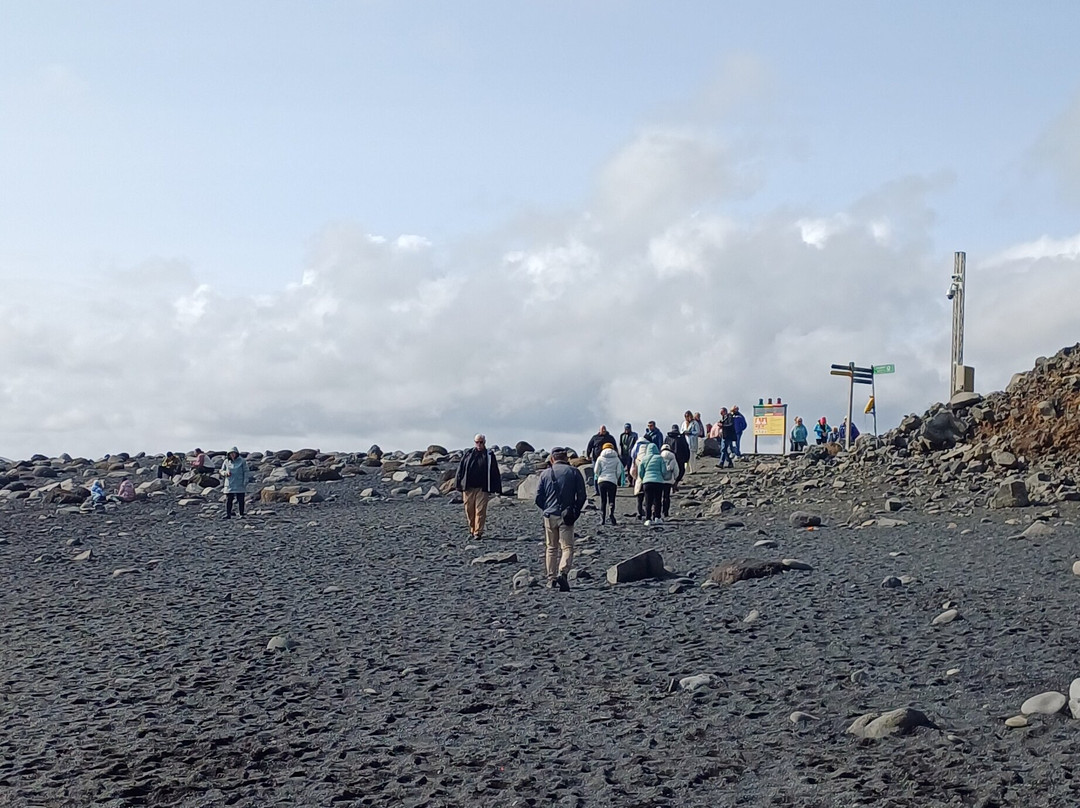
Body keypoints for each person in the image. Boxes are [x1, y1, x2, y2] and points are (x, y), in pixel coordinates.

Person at [534, 448, 587, 591]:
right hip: (566, 515)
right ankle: (563, 572)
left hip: (549, 515)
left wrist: (546, 508)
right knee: (567, 547)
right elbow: (582, 496)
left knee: (551, 548)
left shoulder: (545, 474)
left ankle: (551, 579)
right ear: (566, 458)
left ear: (552, 459)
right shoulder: (574, 472)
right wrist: (575, 511)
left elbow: (538, 497)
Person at [454, 434, 503, 539]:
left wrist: (497, 488)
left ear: (485, 442)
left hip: (483, 487)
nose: (479, 444)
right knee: (469, 510)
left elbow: (495, 471)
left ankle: (478, 532)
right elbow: (461, 468)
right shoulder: (468, 454)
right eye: (477, 442)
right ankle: (472, 528)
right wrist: (458, 484)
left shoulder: (489, 455)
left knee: (480, 510)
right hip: (468, 487)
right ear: (474, 442)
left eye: (481, 442)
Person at [593, 442, 625, 525]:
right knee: (612, 499)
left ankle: (602, 519)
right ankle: (611, 513)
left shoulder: (600, 458)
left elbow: (596, 470)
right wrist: (616, 478)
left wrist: (599, 475)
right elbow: (619, 471)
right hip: (612, 481)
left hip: (602, 481)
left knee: (603, 501)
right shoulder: (616, 458)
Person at [637, 442, 668, 525]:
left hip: (647, 482)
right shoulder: (660, 458)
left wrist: (644, 478)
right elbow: (664, 471)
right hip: (658, 482)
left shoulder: (644, 458)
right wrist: (662, 477)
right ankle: (657, 517)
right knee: (658, 500)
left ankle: (648, 519)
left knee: (648, 501)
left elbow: (640, 472)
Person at [220, 446, 250, 519]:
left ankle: (241, 514)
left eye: (234, 453)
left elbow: (246, 471)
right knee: (229, 499)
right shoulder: (226, 462)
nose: (232, 455)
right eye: (231, 454)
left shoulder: (242, 461)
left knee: (241, 499)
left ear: (237, 453)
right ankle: (228, 514)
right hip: (229, 483)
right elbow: (221, 470)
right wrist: (225, 473)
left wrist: (245, 481)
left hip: (239, 482)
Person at [585, 425, 615, 496]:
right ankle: (597, 490)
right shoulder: (595, 438)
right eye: (602, 429)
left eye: (604, 429)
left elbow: (615, 446)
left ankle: (606, 490)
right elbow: (589, 446)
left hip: (608, 460)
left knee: (606, 475)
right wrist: (588, 455)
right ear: (599, 430)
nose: (604, 430)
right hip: (596, 459)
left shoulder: (610, 438)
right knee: (596, 474)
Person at [659, 442, 678, 518]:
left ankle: (658, 511)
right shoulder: (672, 457)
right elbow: (676, 469)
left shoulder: (659, 456)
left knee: (659, 496)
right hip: (669, 480)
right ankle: (665, 512)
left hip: (660, 479)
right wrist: (675, 479)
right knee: (666, 496)